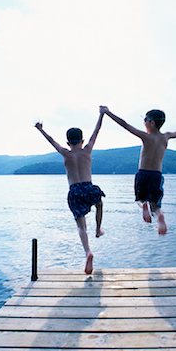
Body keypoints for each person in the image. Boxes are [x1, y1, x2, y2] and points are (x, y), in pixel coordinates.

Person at [100, 106, 176, 235]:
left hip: (143, 173)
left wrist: (108, 112)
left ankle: (144, 205)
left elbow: (125, 124)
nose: (143, 122)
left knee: (140, 199)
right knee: (155, 206)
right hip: (157, 175)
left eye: (145, 120)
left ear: (152, 123)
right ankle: (159, 216)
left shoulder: (145, 136)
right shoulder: (166, 136)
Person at [34, 112, 105, 275]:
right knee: (99, 204)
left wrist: (40, 130)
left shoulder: (65, 153)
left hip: (74, 190)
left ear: (68, 142)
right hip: (88, 187)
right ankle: (98, 229)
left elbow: (51, 141)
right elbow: (97, 130)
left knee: (81, 226)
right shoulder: (87, 150)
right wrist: (101, 115)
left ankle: (88, 252)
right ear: (83, 140)